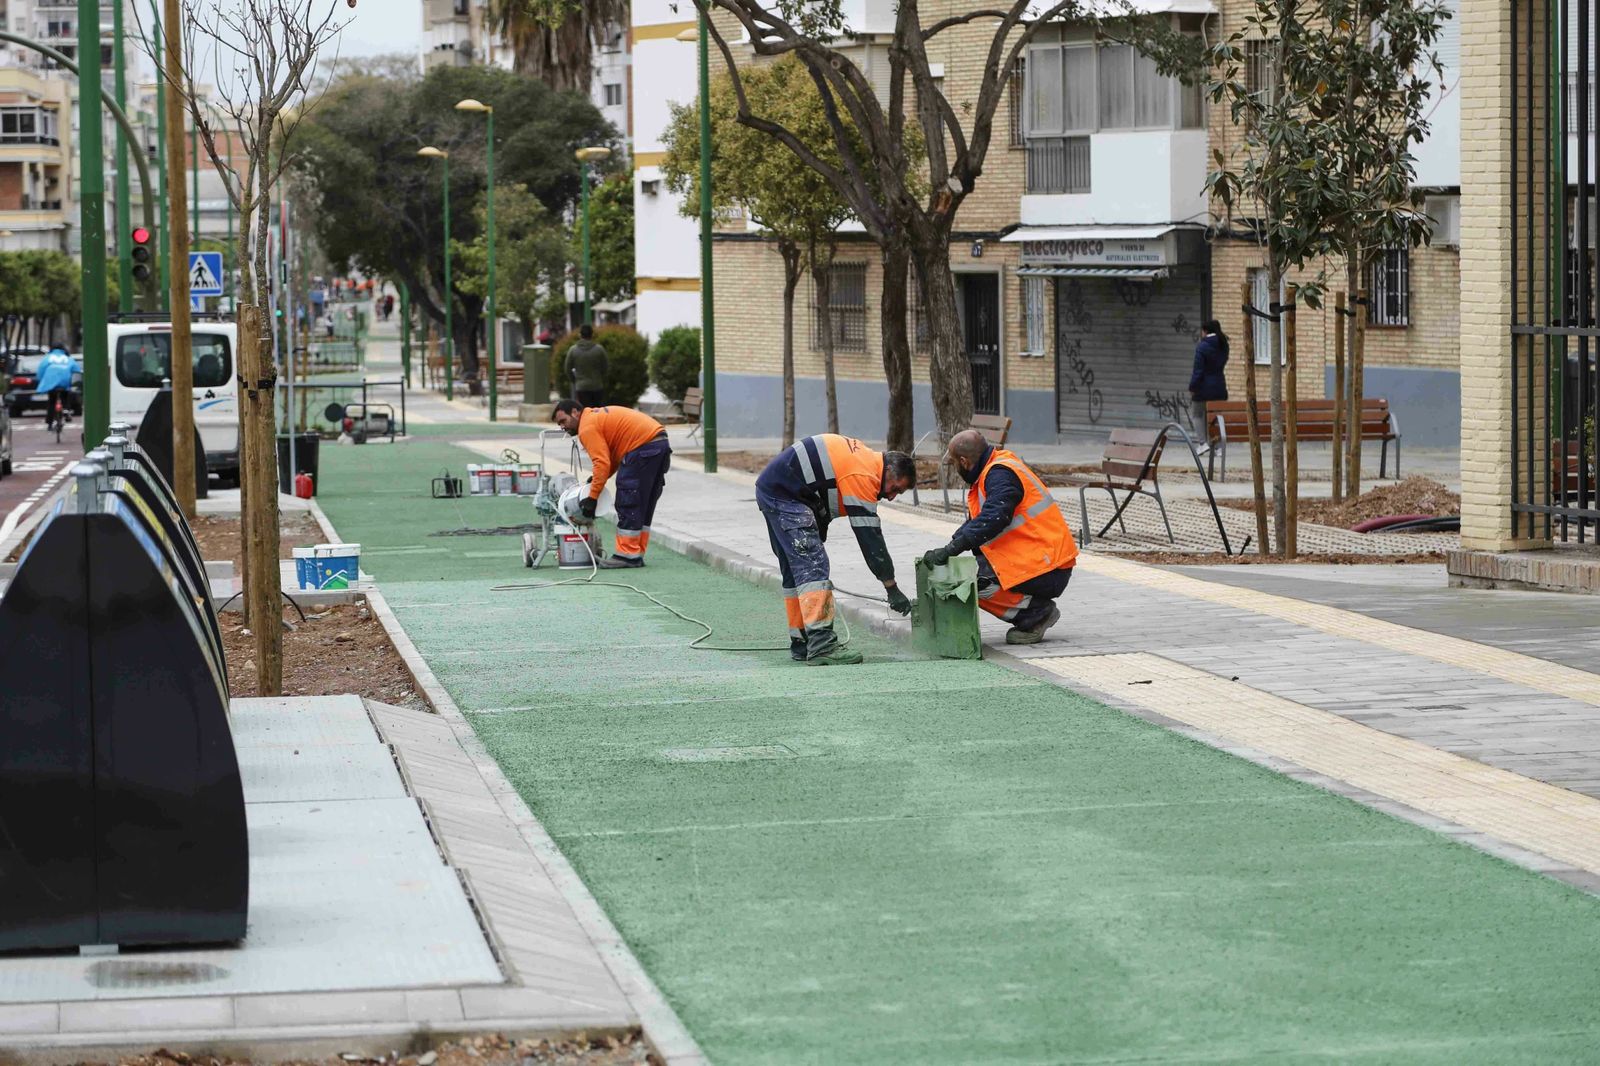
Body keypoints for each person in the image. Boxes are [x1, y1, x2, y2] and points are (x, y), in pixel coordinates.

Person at [756, 435, 916, 666]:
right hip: (786, 494)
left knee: (795, 570)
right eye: (894, 488)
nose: (890, 496)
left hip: (776, 490)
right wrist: (891, 587)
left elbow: (823, 495)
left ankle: (803, 642)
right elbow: (871, 540)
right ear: (888, 470)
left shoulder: (865, 460)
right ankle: (821, 644)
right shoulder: (864, 475)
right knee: (813, 567)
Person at [921, 430, 1076, 646]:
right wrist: (950, 547)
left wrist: (951, 550)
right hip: (1040, 558)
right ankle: (1034, 608)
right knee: (968, 572)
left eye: (955, 463)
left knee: (969, 580)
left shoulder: (999, 474)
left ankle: (1036, 615)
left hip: (1047, 566)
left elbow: (994, 518)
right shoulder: (995, 469)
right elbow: (980, 520)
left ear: (964, 462)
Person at [554, 400, 671, 569]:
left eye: (563, 421)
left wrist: (592, 498)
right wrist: (596, 480)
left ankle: (627, 556)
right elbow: (612, 458)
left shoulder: (587, 427)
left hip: (642, 447)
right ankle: (635, 553)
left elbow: (602, 463)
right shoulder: (596, 416)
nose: (562, 427)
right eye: (559, 424)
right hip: (659, 443)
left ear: (575, 412)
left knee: (628, 500)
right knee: (645, 501)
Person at [1188, 319, 1229, 431]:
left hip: (1203, 389)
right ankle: (1217, 444)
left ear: (1205, 331)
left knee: (1197, 415)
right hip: (1219, 387)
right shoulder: (1224, 345)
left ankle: (1202, 444)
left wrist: (1193, 387)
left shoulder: (1202, 346)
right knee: (1216, 418)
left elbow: (1198, 371)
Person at [564, 324, 608, 407]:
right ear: (592, 335)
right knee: (598, 411)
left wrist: (574, 380)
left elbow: (567, 368)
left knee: (585, 411)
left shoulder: (573, 350)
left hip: (581, 386)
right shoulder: (599, 349)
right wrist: (600, 378)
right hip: (597, 385)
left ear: (580, 335)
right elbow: (605, 367)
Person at [34, 346, 79, 427]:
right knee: (65, 397)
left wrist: (41, 381)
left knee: (52, 401)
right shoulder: (67, 358)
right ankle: (66, 410)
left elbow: (41, 371)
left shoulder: (47, 358)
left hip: (51, 383)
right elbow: (77, 369)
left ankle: (49, 422)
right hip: (64, 382)